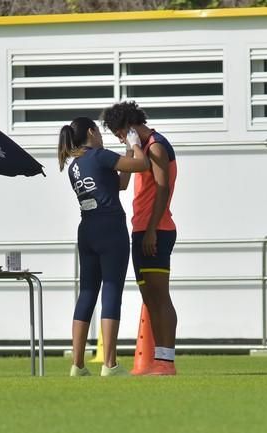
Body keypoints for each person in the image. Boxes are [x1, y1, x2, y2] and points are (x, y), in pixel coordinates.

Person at [58, 116, 149, 377]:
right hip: (110, 229)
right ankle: (109, 364)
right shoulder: (100, 155)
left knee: (87, 292)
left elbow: (120, 183)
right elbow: (141, 165)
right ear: (91, 131)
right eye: (98, 131)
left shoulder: (75, 165)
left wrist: (128, 152)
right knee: (111, 291)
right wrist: (135, 145)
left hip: (87, 230)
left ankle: (77, 364)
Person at [101, 101, 178, 376]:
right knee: (149, 295)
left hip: (157, 229)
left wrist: (153, 229)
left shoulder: (156, 145)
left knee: (160, 295)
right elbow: (122, 183)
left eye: (120, 133)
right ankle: (158, 359)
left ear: (130, 125)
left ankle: (166, 361)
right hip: (140, 228)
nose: (120, 138)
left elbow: (162, 188)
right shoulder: (139, 150)